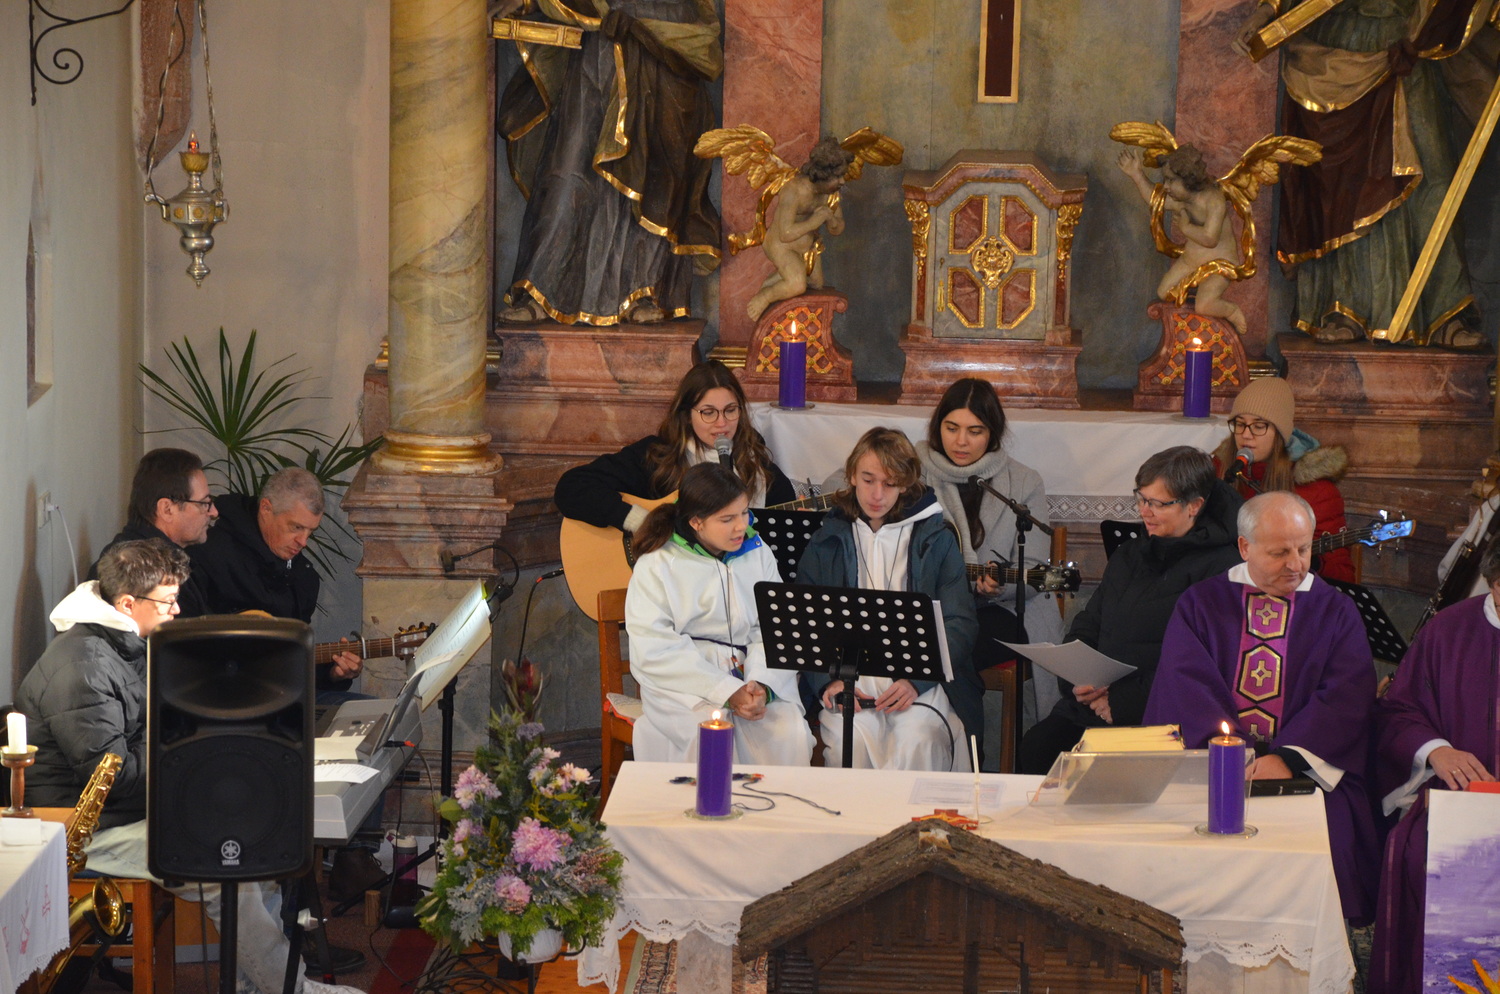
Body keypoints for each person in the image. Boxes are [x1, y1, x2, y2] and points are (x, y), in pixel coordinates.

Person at [13, 540, 363, 994]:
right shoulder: (82, 667)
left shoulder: (125, 644)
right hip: (86, 831)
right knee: (225, 864)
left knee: (257, 841)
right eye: (168, 601)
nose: (177, 611)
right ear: (127, 604)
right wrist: (191, 752)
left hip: (128, 813)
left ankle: (258, 984)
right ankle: (288, 990)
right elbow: (112, 778)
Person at [1145, 491, 1380, 924]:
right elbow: (1186, 687)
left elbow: (1347, 695)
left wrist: (1288, 758)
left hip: (1308, 770)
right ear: (1244, 547)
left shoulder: (1335, 610)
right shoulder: (1201, 604)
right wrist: (1234, 757)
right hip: (1214, 767)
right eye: (1279, 552)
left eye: (1304, 549)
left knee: (1335, 836)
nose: (1296, 564)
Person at [1234, 0, 1489, 347]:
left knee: (1435, 182)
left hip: (1408, 39)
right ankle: (1346, 308)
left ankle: (1444, 313)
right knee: (1348, 190)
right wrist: (1268, 9)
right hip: (1337, 51)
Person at [494, 0, 722, 326]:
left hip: (657, 72)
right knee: (565, 176)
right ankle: (541, 291)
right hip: (592, 64)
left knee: (645, 188)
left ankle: (644, 291)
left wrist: (635, 19)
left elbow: (694, 20)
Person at [1018, 446, 1242, 775]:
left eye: (1158, 503)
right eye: (1141, 499)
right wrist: (1079, 681)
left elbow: (1203, 662)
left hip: (1159, 715)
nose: (1144, 511)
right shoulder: (1131, 554)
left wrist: (1123, 702)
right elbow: (1089, 622)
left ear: (1194, 505)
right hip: (1094, 705)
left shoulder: (1223, 568)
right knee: (1039, 746)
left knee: (1103, 775)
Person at [796, 428, 982, 770]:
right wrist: (827, 681)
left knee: (918, 740)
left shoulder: (935, 538)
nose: (877, 494)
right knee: (849, 746)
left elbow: (960, 622)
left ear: (906, 484)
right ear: (852, 475)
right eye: (868, 480)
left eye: (890, 483)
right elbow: (806, 621)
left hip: (919, 679)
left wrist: (917, 681)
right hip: (850, 682)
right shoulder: (829, 539)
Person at [1368, 543, 1500, 993]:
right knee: (1417, 853)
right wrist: (1437, 751)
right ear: (1493, 583)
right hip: (1460, 804)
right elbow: (1397, 711)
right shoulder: (1448, 630)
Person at [623, 463, 813, 764]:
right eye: (727, 519)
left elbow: (775, 627)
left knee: (788, 731)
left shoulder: (757, 551)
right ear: (696, 522)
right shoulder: (658, 563)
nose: (741, 526)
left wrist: (761, 685)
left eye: (744, 513)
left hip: (751, 670)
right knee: (706, 735)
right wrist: (725, 690)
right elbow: (654, 647)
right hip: (686, 683)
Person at [916, 378, 1065, 733]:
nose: (961, 441)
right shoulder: (912, 469)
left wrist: (999, 585)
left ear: (993, 433)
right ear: (937, 426)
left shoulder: (1024, 481)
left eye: (975, 431)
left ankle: (967, 749)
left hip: (1003, 609)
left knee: (954, 646)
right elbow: (851, 481)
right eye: (951, 428)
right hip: (931, 605)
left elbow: (1035, 570)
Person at [177, 467, 362, 700]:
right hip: (216, 699)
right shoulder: (207, 555)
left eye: (310, 531)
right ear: (266, 509)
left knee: (372, 711)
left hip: (281, 698)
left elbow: (291, 663)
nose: (303, 541)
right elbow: (182, 648)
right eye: (296, 527)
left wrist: (333, 674)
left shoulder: (303, 578)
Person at [553, 360, 796, 533]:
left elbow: (785, 510)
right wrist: (640, 522)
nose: (722, 423)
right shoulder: (658, 455)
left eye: (730, 410)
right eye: (708, 412)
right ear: (686, 415)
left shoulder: (755, 460)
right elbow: (572, 487)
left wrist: (796, 522)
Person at [1211, 377, 1354, 582]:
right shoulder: (1220, 471)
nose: (1246, 435)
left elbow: (1343, 575)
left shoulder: (1318, 491)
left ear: (1280, 433)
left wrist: (1313, 563)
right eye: (1240, 424)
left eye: (1259, 426)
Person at [1117, 144, 1246, 335]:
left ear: (1189, 180)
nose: (1166, 186)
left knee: (1204, 305)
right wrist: (1136, 174)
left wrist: (1186, 228)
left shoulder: (1213, 200)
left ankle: (1231, 311)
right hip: (1191, 260)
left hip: (1219, 264)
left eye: (1171, 181)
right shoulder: (1181, 200)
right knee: (1164, 292)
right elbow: (1155, 199)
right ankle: (1190, 325)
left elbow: (1210, 239)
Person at [745, 136, 855, 322]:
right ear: (822, 175)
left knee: (816, 284)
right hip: (781, 246)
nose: (842, 181)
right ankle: (765, 296)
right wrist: (815, 221)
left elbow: (837, 229)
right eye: (837, 177)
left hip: (806, 245)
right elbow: (785, 233)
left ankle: (776, 282)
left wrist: (831, 220)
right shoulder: (794, 190)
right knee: (797, 285)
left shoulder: (830, 193)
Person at [87, 447, 219, 579]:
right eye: (204, 503)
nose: (214, 512)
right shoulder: (137, 576)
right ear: (167, 510)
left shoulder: (166, 559)